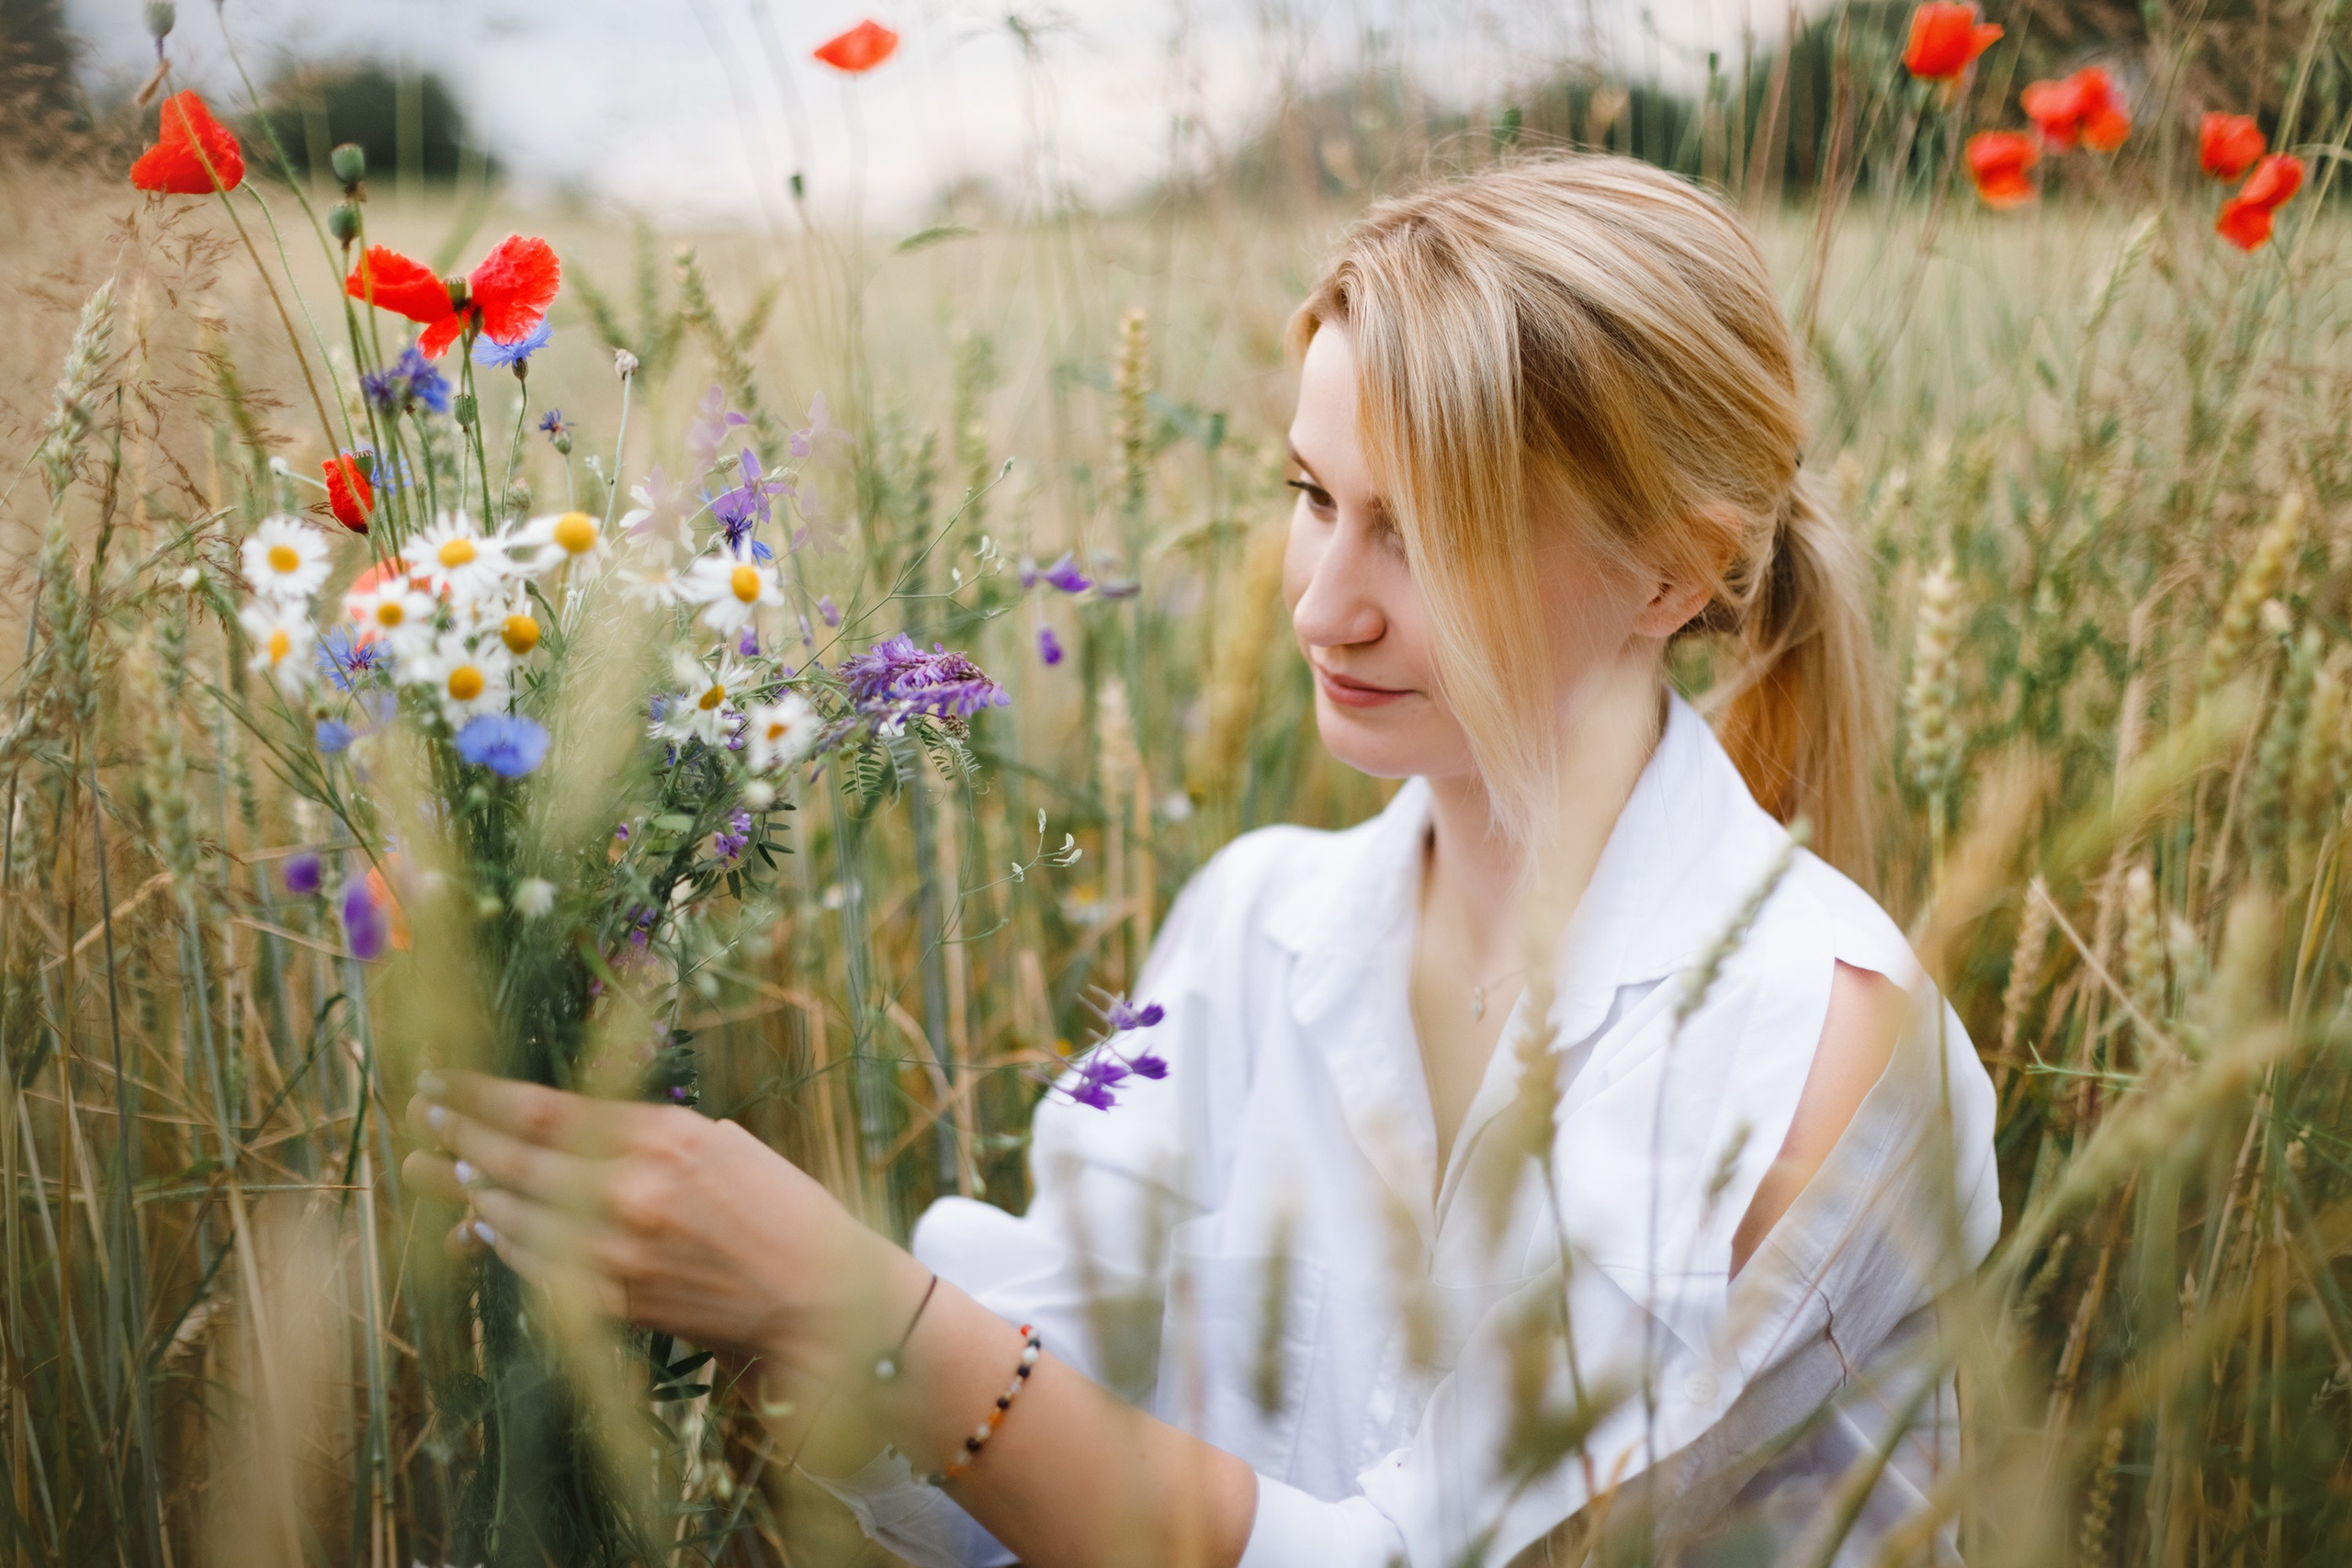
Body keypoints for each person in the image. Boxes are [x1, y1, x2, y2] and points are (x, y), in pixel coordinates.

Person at [405, 154, 2000, 1567]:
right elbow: (1029, 1440)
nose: (1322, 606)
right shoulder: (1260, 922)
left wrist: (861, 1310)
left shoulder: (1817, 1045)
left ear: (1675, 571)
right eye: (1314, 497)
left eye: (1428, 535)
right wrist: (707, 1270)